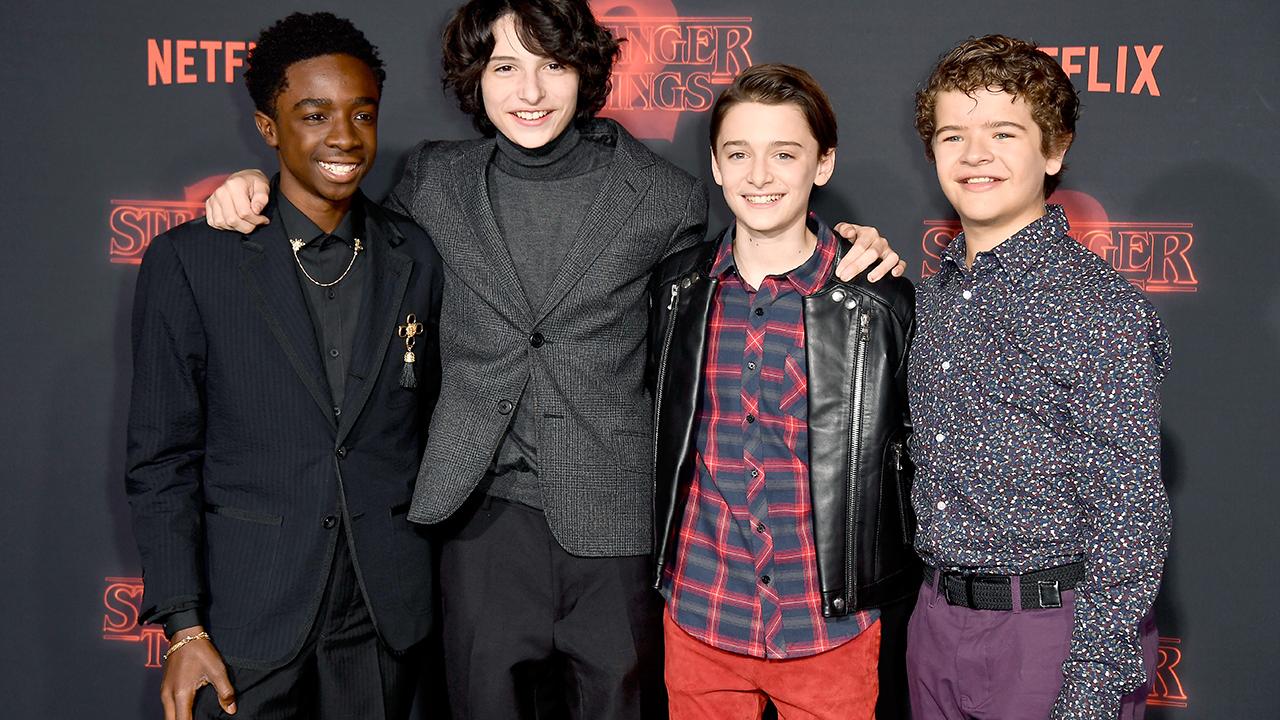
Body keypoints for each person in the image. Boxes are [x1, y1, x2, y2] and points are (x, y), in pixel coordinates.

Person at [202, 3, 904, 716]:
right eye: (506, 67)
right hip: (477, 517)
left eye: (552, 65)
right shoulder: (433, 181)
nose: (529, 92)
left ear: (583, 72)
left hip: (615, 520)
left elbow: (732, 281)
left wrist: (852, 245)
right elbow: (351, 233)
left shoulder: (665, 196)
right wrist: (256, 185)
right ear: (477, 79)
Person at [125, 12, 442, 720]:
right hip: (248, 618)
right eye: (315, 114)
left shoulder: (415, 254)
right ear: (269, 128)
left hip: (385, 617)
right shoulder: (192, 262)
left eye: (363, 113)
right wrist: (184, 625)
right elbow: (161, 460)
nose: (344, 136)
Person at [905, 34, 1171, 720]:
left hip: (1051, 634)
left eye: (1003, 132)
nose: (974, 154)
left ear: (1053, 150)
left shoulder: (1097, 307)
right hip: (934, 622)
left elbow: (1130, 512)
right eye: (953, 135)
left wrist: (1091, 683)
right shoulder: (930, 299)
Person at [647, 63, 918, 720]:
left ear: (823, 164)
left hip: (828, 628)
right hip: (701, 616)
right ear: (716, 166)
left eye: (785, 153)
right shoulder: (677, 291)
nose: (760, 175)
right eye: (739, 153)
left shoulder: (877, 303)